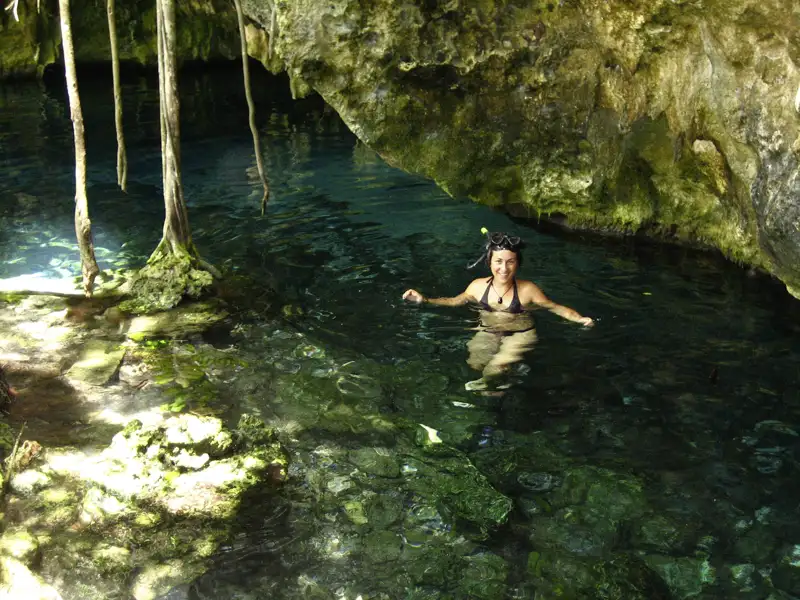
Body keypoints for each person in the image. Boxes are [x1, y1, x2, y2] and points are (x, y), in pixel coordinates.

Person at [402, 231, 593, 390]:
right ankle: (507, 377)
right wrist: (424, 300)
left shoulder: (528, 290)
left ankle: (490, 386)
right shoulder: (477, 286)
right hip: (488, 329)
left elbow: (555, 307)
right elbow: (455, 301)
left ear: (517, 263)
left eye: (510, 262)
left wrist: (579, 319)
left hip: (521, 333)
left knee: (495, 368)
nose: (504, 268)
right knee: (475, 364)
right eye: (499, 261)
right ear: (489, 262)